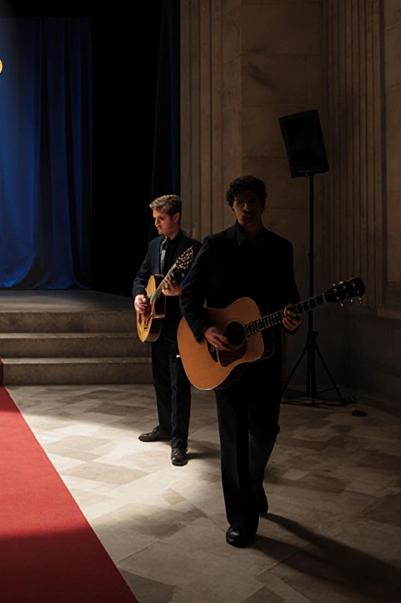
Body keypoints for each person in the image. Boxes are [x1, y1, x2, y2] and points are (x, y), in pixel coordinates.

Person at [178, 175, 301, 548]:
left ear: (263, 204)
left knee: (266, 431)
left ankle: (253, 478)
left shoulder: (281, 248)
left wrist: (292, 319)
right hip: (225, 361)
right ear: (232, 207)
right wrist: (204, 331)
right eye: (240, 202)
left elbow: (291, 299)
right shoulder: (215, 246)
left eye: (253, 201)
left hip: (265, 355)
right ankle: (241, 520)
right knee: (232, 441)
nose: (247, 208)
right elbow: (188, 297)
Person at [131, 195, 201, 466]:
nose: (157, 224)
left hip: (180, 327)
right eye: (155, 219)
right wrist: (139, 296)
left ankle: (179, 443)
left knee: (179, 385)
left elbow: (203, 288)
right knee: (160, 379)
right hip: (156, 325)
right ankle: (165, 426)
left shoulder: (193, 249)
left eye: (161, 219)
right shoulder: (154, 246)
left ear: (176, 217)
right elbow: (141, 277)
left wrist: (181, 291)